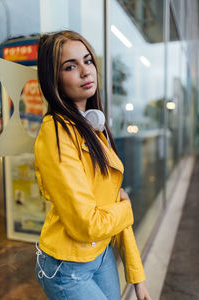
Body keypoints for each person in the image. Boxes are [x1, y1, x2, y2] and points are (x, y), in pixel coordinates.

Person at [34, 30, 151, 300]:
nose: (86, 72)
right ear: (54, 79)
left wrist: (138, 278)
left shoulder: (94, 127)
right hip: (66, 267)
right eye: (70, 66)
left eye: (87, 61)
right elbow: (87, 224)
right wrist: (126, 208)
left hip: (101, 253)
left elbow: (114, 205)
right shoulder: (55, 134)